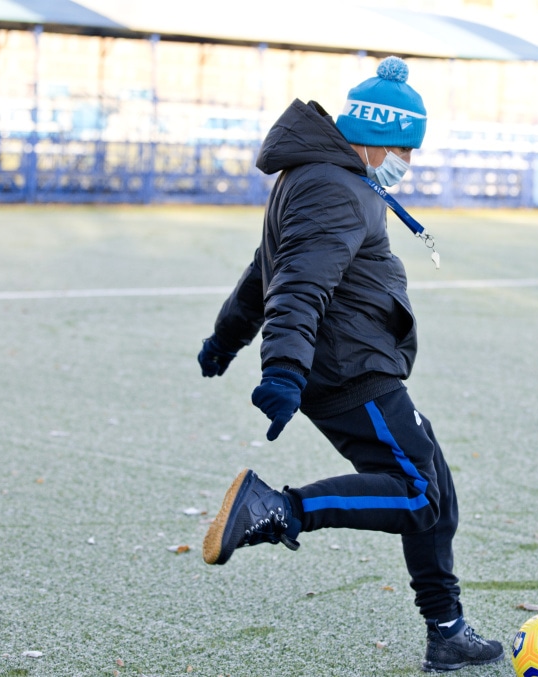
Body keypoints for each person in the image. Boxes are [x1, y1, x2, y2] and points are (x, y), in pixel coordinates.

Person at [196, 56, 504, 672]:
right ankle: (279, 508)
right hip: (348, 368)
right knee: (418, 495)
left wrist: (225, 338)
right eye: (405, 150)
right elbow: (299, 284)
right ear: (378, 138)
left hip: (352, 360)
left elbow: (265, 274)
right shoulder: (334, 188)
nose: (407, 164)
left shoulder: (323, 180)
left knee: (435, 491)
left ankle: (447, 632)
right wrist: (281, 369)